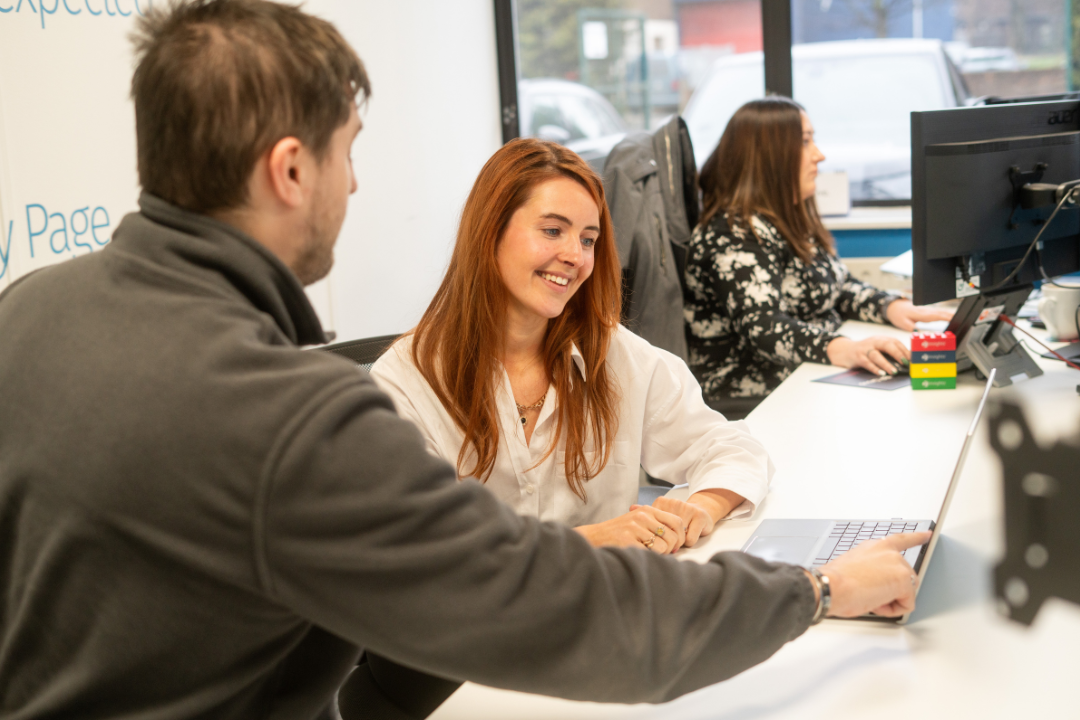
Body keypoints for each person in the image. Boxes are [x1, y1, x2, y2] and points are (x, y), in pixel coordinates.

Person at [0, 3, 930, 719]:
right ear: (291, 169)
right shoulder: (291, 415)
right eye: (346, 154)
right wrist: (815, 588)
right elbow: (564, 612)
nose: (356, 183)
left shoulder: (27, 312)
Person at [371, 138, 770, 553]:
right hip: (477, 614)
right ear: (490, 231)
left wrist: (703, 506)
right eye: (552, 231)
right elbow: (416, 545)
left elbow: (734, 449)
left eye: (587, 239)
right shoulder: (406, 378)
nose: (575, 256)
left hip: (604, 606)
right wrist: (589, 540)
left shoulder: (613, 354)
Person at [683, 97, 953, 417]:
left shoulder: (786, 216)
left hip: (799, 374)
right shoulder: (732, 232)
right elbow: (764, 328)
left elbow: (836, 285)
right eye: (806, 142)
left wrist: (890, 306)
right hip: (752, 391)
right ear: (771, 157)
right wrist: (848, 349)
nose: (819, 155)